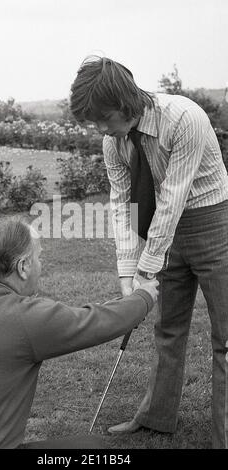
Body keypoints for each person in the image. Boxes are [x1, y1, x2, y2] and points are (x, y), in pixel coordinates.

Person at [69, 56, 228, 448]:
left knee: (225, 336)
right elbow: (123, 204)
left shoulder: (184, 118)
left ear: (125, 101)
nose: (101, 129)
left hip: (213, 222)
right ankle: (156, 416)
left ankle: (224, 434)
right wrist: (129, 276)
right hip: (164, 228)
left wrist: (147, 268)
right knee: (167, 327)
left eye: (104, 117)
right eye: (94, 122)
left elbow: (172, 199)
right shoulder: (114, 142)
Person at [0, 217, 158, 449]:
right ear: (23, 267)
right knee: (93, 448)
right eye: (39, 257)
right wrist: (144, 297)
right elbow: (95, 322)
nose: (40, 264)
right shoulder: (22, 318)